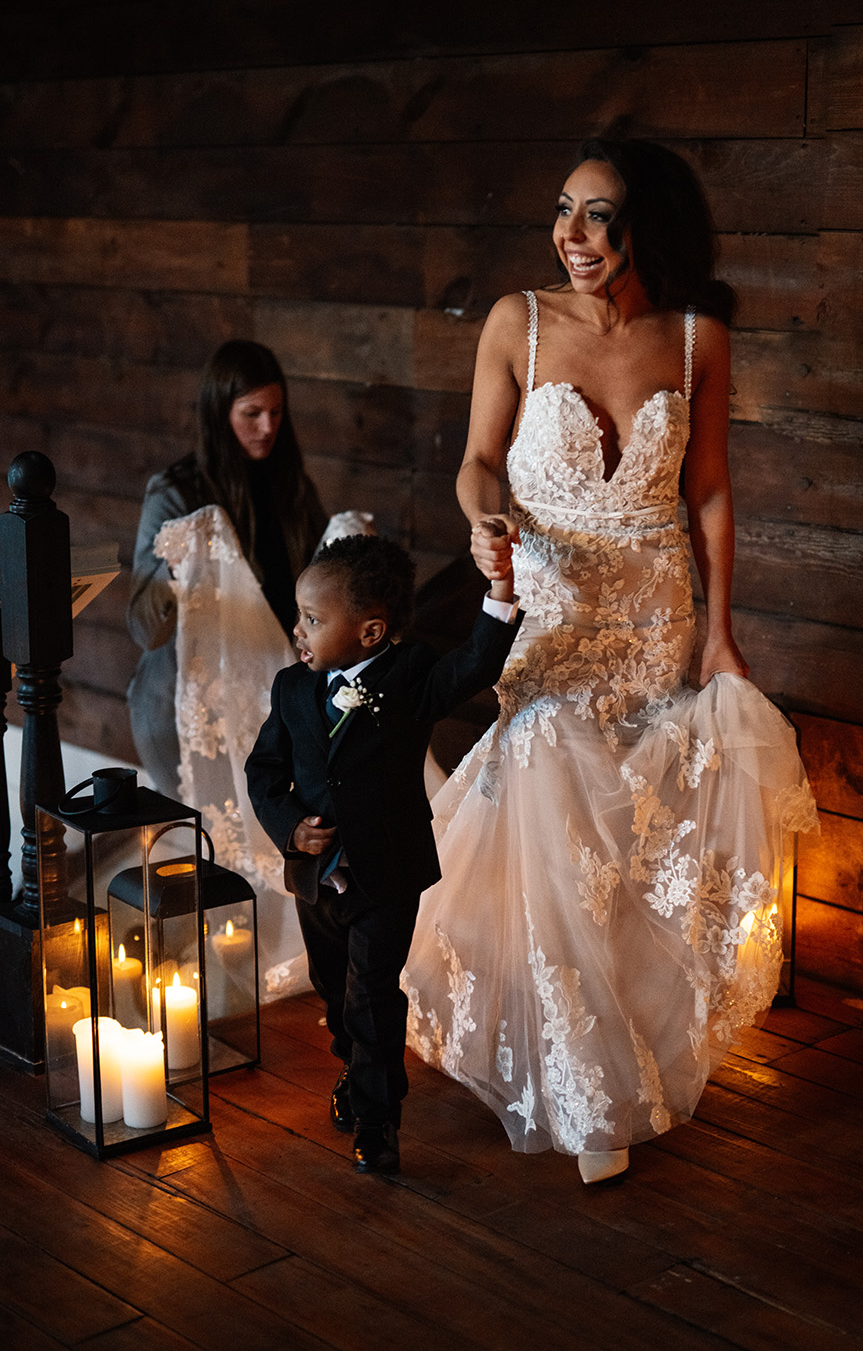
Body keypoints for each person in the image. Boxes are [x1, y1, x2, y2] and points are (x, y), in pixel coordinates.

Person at [402, 138, 818, 1184]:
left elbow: (710, 493)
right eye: (563, 212)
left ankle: (627, 1050)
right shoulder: (518, 322)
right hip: (549, 612)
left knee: (631, 842)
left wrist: (719, 632)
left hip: (654, 613)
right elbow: (476, 462)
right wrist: (483, 517)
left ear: (649, 230)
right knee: (547, 804)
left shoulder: (696, 340)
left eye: (598, 217)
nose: (571, 237)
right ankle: (583, 1095)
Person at [245, 534, 522, 1173]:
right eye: (299, 615)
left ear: (370, 632)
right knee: (333, 989)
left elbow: (474, 665)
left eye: (314, 619)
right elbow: (264, 770)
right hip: (317, 877)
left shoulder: (411, 678)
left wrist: (502, 593)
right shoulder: (291, 689)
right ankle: (358, 1068)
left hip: (385, 875)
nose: (298, 630)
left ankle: (378, 1120)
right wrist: (291, 827)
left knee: (372, 993)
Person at [126, 340, 327, 797]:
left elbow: (321, 575)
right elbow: (143, 626)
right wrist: (179, 570)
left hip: (271, 693)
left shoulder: (290, 485)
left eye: (276, 413)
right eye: (251, 413)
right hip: (192, 707)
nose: (267, 427)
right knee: (213, 847)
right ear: (220, 414)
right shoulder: (175, 494)